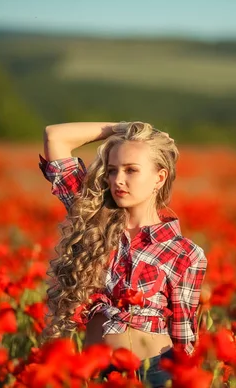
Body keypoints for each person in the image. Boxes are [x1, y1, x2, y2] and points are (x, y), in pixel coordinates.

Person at [38, 121, 207, 387]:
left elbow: (184, 337)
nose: (118, 180)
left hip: (153, 374)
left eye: (131, 170)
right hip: (94, 371)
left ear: (159, 178)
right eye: (112, 170)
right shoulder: (93, 219)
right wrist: (123, 128)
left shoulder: (184, 253)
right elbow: (55, 136)